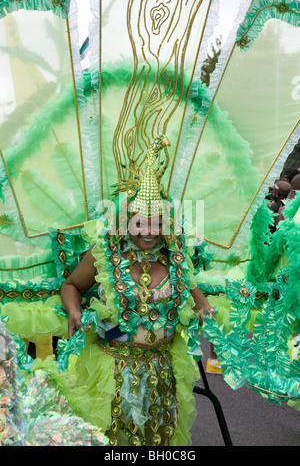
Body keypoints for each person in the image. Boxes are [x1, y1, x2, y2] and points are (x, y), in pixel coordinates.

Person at [60, 136, 216, 446]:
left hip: (163, 369)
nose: (149, 232)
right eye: (140, 223)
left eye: (157, 223)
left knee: (157, 440)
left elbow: (196, 294)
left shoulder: (176, 257)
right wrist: (75, 310)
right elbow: (71, 286)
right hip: (111, 369)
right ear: (126, 222)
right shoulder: (105, 255)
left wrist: (204, 310)